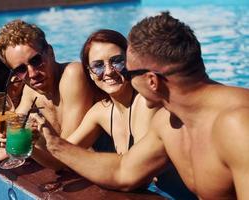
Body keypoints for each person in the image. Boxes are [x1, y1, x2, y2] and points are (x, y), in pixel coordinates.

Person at [38, 12, 249, 199]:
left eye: (127, 68)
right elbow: (122, 172)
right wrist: (55, 144)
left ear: (151, 81)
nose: (115, 73)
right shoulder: (168, 122)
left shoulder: (238, 124)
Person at [32, 29, 195, 199]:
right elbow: (59, 160)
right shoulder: (100, 112)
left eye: (117, 61)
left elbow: (139, 177)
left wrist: (58, 145)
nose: (109, 71)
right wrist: (29, 145)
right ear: (90, 73)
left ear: (130, 62)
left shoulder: (147, 103)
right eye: (98, 65)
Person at [0, 19, 95, 167]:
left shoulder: (73, 74)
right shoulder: (30, 90)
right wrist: (6, 136)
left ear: (51, 52)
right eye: (21, 69)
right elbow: (15, 130)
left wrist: (29, 144)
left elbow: (66, 156)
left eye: (36, 60)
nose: (33, 74)